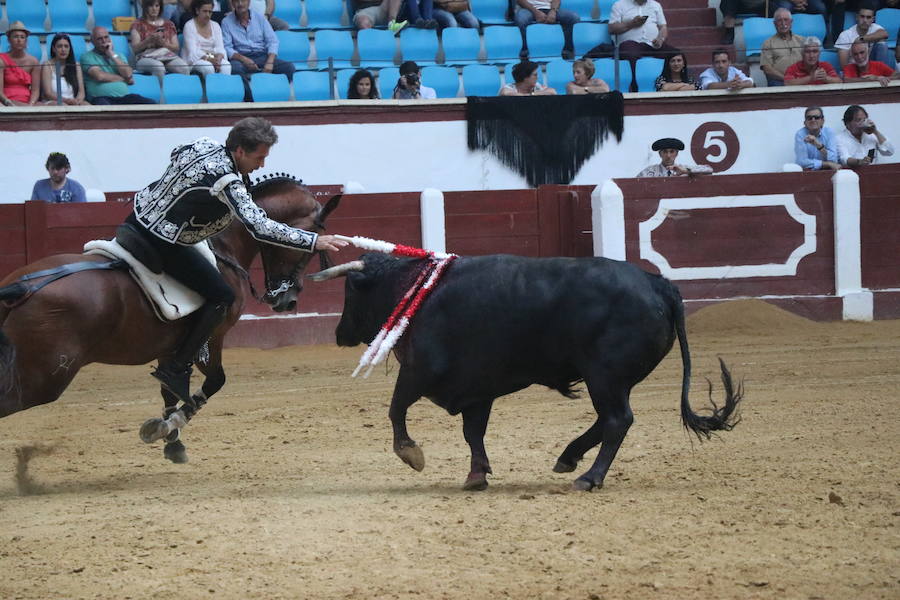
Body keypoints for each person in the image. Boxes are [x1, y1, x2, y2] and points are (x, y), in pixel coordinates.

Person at [122, 117, 349, 406]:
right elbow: (259, 227)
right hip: (163, 240)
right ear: (240, 151)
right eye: (259, 157)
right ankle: (174, 368)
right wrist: (313, 241)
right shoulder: (227, 181)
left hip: (137, 217)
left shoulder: (203, 144)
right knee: (222, 297)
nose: (262, 165)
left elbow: (176, 153)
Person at [222, 0, 295, 93]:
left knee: (289, 67)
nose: (240, 4)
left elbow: (273, 41)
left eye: (243, 1)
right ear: (232, 3)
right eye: (236, 1)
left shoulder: (260, 18)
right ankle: (249, 98)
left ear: (249, 2)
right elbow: (227, 48)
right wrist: (244, 59)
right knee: (234, 68)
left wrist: (270, 62)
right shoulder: (226, 22)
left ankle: (274, 93)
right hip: (240, 57)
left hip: (262, 56)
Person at [608, 0, 679, 91]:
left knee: (676, 54)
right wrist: (631, 23)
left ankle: (672, 84)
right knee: (630, 54)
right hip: (631, 44)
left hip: (652, 44)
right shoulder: (619, 4)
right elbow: (611, 29)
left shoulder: (655, 5)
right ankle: (634, 87)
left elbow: (663, 27)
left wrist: (660, 39)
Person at [82, 27, 158, 104]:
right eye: (99, 39)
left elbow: (128, 74)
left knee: (151, 103)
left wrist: (112, 54)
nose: (104, 41)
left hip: (124, 97)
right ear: (92, 41)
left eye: (106, 37)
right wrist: (124, 79)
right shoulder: (87, 57)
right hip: (101, 98)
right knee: (105, 108)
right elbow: (99, 76)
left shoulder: (118, 56)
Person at [130, 0, 191, 78]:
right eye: (151, 6)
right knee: (159, 67)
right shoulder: (137, 24)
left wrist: (163, 44)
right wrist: (148, 40)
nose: (154, 9)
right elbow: (135, 49)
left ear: (160, 7)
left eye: (157, 6)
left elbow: (176, 48)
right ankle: (160, 90)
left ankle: (182, 90)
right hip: (144, 57)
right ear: (145, 7)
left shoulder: (169, 24)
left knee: (184, 68)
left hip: (165, 55)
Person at [514, 0, 581, 60]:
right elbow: (520, 1)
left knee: (574, 18)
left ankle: (566, 51)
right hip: (529, 9)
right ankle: (525, 52)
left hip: (549, 8)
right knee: (521, 19)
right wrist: (536, 12)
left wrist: (553, 11)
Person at [182, 0, 232, 76]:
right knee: (208, 67)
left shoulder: (215, 26)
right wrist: (211, 58)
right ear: (197, 10)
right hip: (195, 61)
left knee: (226, 66)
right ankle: (210, 87)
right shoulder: (189, 26)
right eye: (205, 11)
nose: (208, 15)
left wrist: (218, 58)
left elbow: (220, 48)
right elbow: (194, 53)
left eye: (210, 12)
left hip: (214, 58)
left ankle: (224, 87)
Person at [834, 3, 892, 68]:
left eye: (868, 17)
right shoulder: (845, 35)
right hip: (854, 70)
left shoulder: (874, 28)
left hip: (872, 69)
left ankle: (881, 73)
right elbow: (844, 67)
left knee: (882, 44)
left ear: (873, 19)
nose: (865, 20)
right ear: (857, 17)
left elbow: (885, 34)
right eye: (862, 16)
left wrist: (861, 39)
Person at [760, 8, 806, 87]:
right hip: (780, 81)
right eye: (779, 20)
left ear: (791, 22)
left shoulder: (802, 40)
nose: (783, 23)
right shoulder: (768, 43)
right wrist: (787, 78)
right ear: (774, 24)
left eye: (786, 20)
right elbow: (767, 68)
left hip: (801, 79)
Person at [0, 21, 42, 106]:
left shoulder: (33, 61)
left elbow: (35, 90)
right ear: (9, 40)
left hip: (27, 102)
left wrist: (31, 105)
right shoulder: (1, 59)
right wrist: (7, 102)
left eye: (22, 37)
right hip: (5, 101)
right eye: (15, 37)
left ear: (26, 40)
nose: (19, 40)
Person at [40, 34, 88, 105]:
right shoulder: (47, 65)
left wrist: (77, 101)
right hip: (53, 101)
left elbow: (81, 92)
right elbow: (48, 93)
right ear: (53, 49)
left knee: (86, 105)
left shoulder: (76, 65)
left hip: (73, 101)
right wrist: (66, 101)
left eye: (66, 46)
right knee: (61, 105)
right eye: (59, 46)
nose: (63, 49)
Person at [793, 106, 841, 170]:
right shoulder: (800, 135)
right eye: (809, 118)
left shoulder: (829, 133)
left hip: (828, 172)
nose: (813, 120)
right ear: (805, 123)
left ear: (822, 121)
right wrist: (827, 164)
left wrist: (818, 145)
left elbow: (834, 159)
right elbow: (801, 162)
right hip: (808, 173)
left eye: (816, 117)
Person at [636, 137, 713, 177]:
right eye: (665, 152)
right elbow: (635, 184)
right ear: (660, 154)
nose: (668, 155)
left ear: (676, 154)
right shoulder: (650, 171)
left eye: (672, 151)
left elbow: (709, 170)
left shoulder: (683, 168)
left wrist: (686, 171)